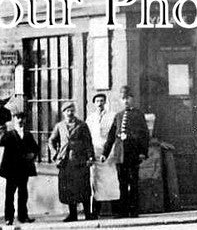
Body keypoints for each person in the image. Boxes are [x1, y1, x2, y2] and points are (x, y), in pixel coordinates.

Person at [102, 86, 150, 217]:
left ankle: (134, 210)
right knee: (122, 183)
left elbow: (144, 135)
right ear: (120, 100)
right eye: (123, 98)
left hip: (133, 154)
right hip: (120, 155)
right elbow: (111, 136)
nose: (126, 101)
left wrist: (143, 152)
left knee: (133, 183)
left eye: (128, 98)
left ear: (132, 99)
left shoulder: (138, 115)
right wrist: (105, 153)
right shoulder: (118, 116)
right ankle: (123, 211)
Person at [49, 101, 94, 221]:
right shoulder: (59, 126)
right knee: (69, 189)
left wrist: (90, 157)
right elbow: (51, 141)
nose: (70, 113)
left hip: (80, 161)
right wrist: (55, 154)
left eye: (72, 111)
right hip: (65, 162)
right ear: (63, 113)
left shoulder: (82, 125)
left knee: (83, 187)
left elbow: (88, 142)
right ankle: (73, 214)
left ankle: (88, 214)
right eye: (67, 111)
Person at [0, 110, 38, 229]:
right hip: (11, 169)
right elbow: (0, 144)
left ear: (25, 120)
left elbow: (35, 148)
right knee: (9, 194)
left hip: (23, 168)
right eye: (18, 118)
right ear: (14, 120)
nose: (20, 120)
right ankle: (8, 218)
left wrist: (32, 155)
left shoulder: (28, 134)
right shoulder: (8, 134)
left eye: (22, 118)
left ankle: (23, 216)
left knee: (23, 193)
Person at [86, 93, 118, 219]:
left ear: (105, 102)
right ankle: (96, 211)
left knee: (111, 181)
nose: (99, 103)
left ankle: (114, 210)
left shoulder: (112, 116)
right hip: (95, 152)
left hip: (109, 153)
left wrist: (108, 151)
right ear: (94, 104)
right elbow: (87, 136)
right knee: (96, 181)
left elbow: (113, 135)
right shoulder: (90, 118)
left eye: (102, 101)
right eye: (97, 101)